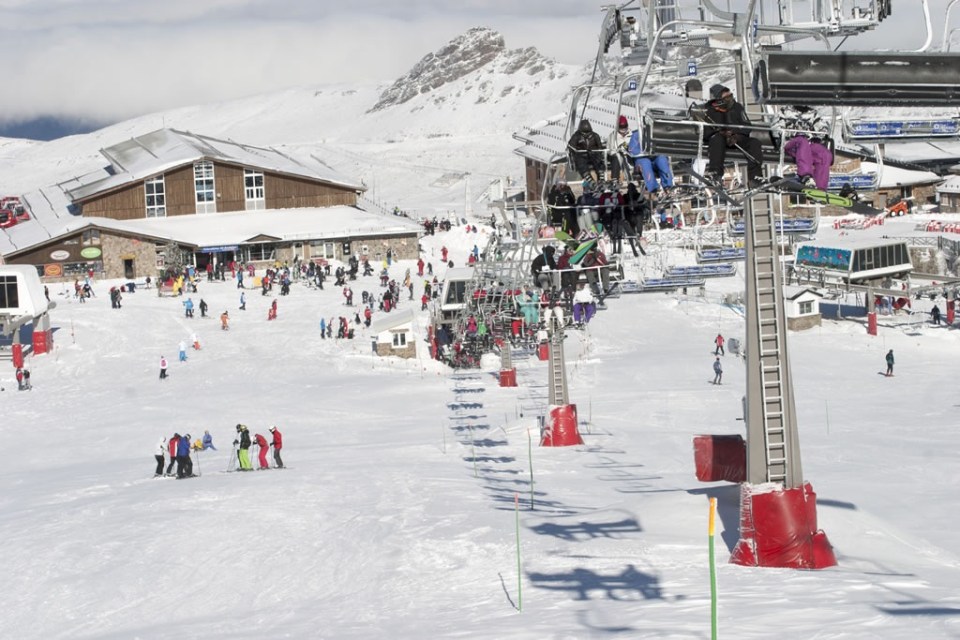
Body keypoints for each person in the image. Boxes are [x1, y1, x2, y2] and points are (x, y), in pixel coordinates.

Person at [703, 85, 764, 187]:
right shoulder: (710, 111)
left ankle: (755, 178)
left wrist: (737, 134)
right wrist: (721, 133)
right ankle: (715, 174)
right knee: (717, 140)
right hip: (720, 139)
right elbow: (706, 132)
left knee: (754, 143)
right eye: (726, 97)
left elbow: (747, 126)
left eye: (730, 95)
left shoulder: (737, 107)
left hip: (737, 139)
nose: (729, 98)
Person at [779, 105, 833, 190]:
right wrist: (787, 134)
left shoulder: (813, 113)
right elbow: (776, 128)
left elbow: (822, 129)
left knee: (824, 154)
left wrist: (822, 132)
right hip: (790, 143)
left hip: (807, 145)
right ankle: (805, 177)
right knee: (802, 140)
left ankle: (820, 187)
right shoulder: (785, 111)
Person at [622, 118, 675, 199]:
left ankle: (668, 187)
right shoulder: (637, 135)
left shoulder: (657, 134)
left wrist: (656, 150)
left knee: (662, 159)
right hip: (642, 158)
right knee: (645, 163)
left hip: (655, 158)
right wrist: (644, 152)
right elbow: (632, 150)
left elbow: (664, 146)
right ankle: (654, 189)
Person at [567, 118, 605, 187]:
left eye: (588, 133)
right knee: (580, 162)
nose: (587, 135)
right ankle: (589, 179)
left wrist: (597, 152)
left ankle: (601, 177)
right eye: (585, 134)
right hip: (581, 155)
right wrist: (575, 150)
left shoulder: (595, 136)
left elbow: (600, 147)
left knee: (598, 160)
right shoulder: (577, 136)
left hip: (592, 154)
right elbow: (571, 145)